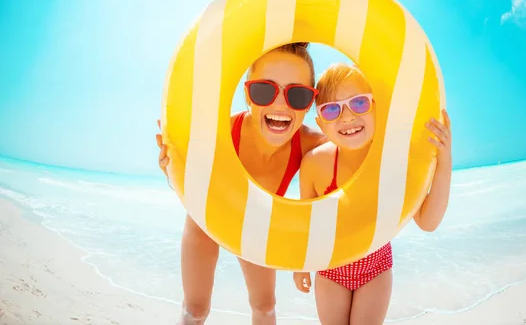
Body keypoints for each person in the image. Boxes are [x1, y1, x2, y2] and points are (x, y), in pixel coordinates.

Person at [156, 42, 326, 325]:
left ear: (310, 103)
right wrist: (172, 168)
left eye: (297, 95)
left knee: (266, 306)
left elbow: (359, 160)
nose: (280, 104)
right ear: (247, 93)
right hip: (205, 223)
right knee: (195, 310)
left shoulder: (312, 143)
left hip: (255, 226)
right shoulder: (218, 133)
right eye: (264, 90)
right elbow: (185, 173)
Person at [292, 63, 453, 325]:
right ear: (321, 122)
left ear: (378, 107)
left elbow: (428, 221)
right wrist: (300, 264)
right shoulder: (314, 164)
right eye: (332, 109)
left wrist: (444, 161)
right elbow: (307, 222)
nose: (346, 117)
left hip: (375, 268)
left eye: (358, 103)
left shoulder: (391, 163)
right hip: (331, 269)